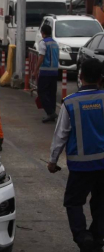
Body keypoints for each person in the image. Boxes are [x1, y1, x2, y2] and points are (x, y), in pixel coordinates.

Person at [49, 58, 104, 252]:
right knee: (100, 203)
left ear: (80, 77)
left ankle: (83, 237)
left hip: (80, 167)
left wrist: (53, 161)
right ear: (101, 78)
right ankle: (97, 239)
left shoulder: (70, 103)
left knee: (73, 202)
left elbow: (60, 135)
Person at [34, 24, 60, 123]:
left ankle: (50, 112)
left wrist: (36, 69)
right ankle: (52, 114)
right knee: (51, 93)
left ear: (42, 33)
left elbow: (41, 57)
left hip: (45, 72)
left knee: (41, 92)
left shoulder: (43, 43)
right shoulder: (55, 43)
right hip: (54, 72)